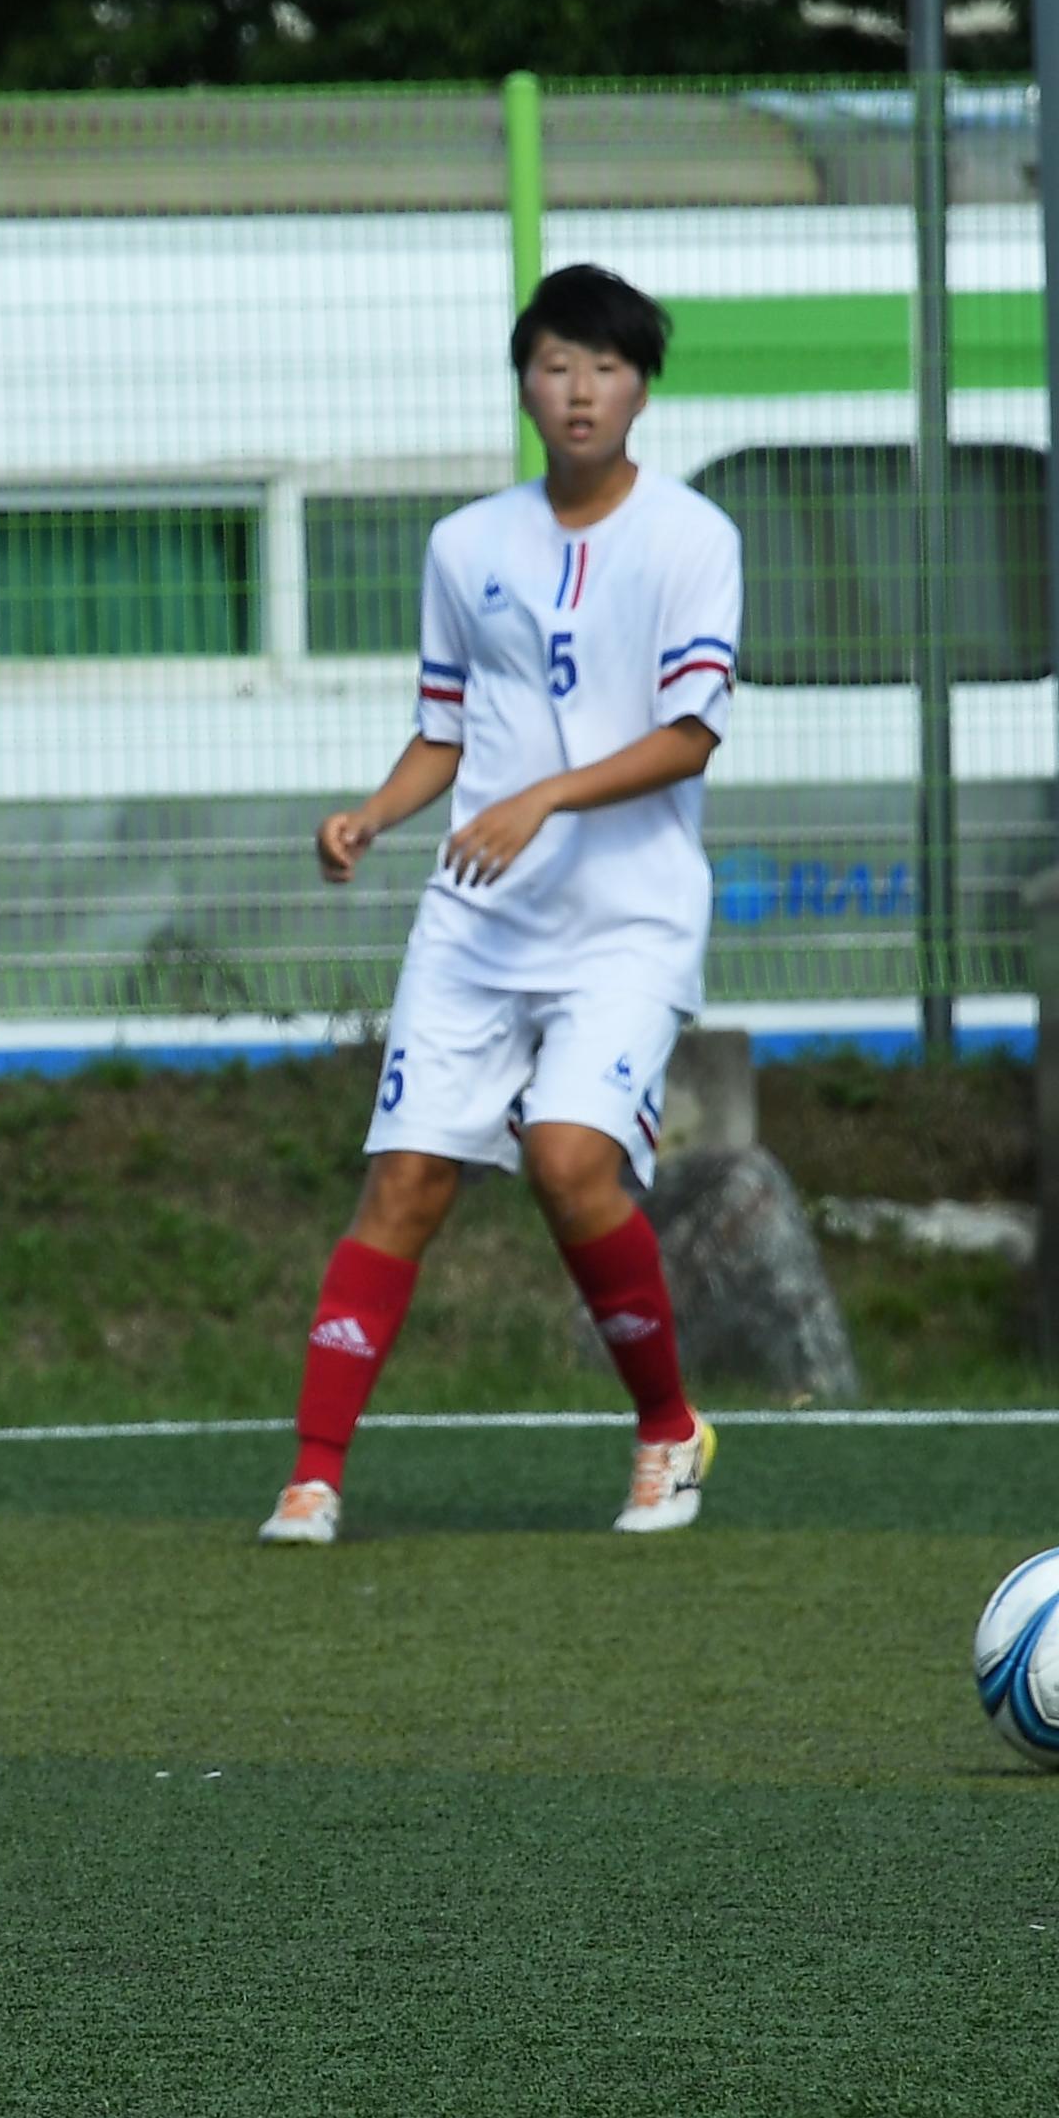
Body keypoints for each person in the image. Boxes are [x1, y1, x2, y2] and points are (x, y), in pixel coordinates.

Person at [259, 265, 742, 1547]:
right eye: (554, 364)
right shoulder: (466, 544)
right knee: (405, 1180)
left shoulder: (694, 537)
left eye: (606, 366)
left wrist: (545, 798)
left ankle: (664, 1429)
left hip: (626, 921)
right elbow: (445, 730)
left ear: (643, 385)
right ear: (523, 378)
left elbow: (691, 734)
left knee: (570, 1160)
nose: (579, 390)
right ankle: (313, 1474)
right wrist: (371, 813)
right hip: (477, 919)